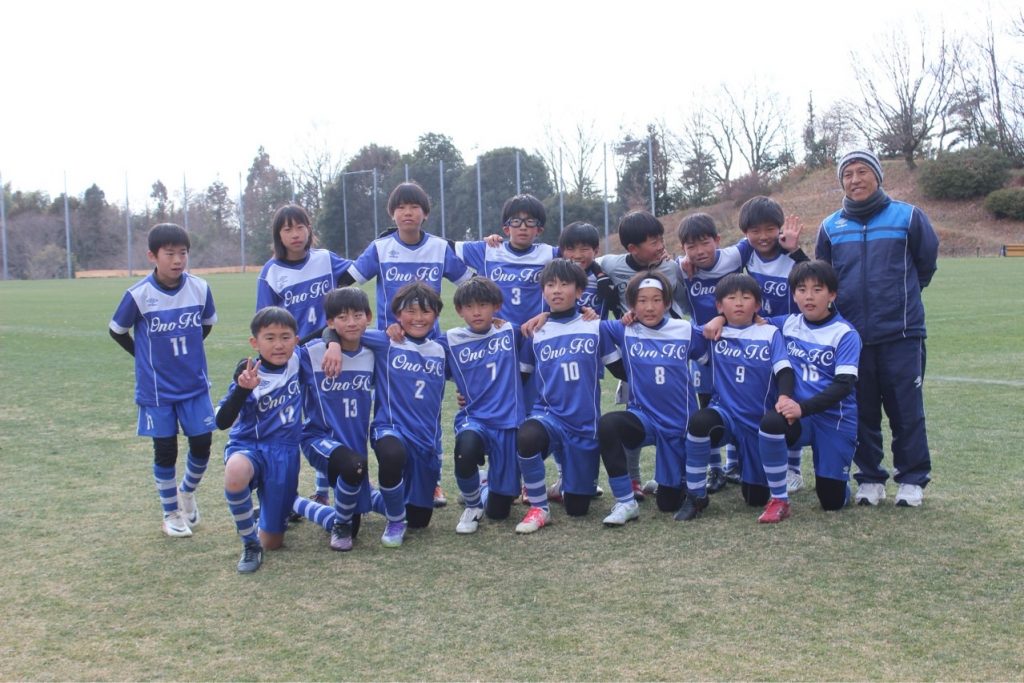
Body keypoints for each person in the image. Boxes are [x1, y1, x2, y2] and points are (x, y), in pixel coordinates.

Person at [816, 150, 939, 508]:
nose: (855, 179)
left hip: (902, 333)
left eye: (862, 171)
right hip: (851, 338)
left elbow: (925, 267)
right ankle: (870, 478)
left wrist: (899, 300)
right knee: (861, 410)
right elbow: (824, 278)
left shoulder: (909, 216)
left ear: (878, 176)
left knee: (906, 411)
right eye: (848, 174)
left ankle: (912, 480)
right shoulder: (830, 226)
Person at [339, 181, 471, 507]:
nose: (407, 213)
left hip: (428, 342)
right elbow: (346, 283)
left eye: (414, 207)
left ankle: (432, 481)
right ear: (392, 214)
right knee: (384, 408)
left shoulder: (439, 247)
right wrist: (345, 325)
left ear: (425, 213)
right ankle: (382, 475)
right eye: (400, 207)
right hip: (389, 343)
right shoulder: (380, 248)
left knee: (429, 410)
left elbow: (470, 283)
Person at [109, 223, 217, 538]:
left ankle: (187, 492)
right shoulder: (138, 295)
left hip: (194, 385)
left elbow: (206, 324)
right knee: (166, 450)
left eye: (183, 253)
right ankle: (171, 513)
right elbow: (117, 331)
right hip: (157, 391)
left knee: (202, 444)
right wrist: (144, 358)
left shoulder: (200, 288)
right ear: (152, 256)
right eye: (169, 254)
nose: (178, 260)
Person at [326, 282, 448, 547]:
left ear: (436, 315)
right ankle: (395, 520)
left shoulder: (442, 348)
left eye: (426, 312)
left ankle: (374, 497)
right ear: (397, 315)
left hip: (426, 441)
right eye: (410, 311)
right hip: (390, 428)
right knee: (392, 455)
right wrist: (332, 343)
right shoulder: (386, 341)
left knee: (419, 520)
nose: (418, 318)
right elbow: (344, 330)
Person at [515, 259, 632, 533]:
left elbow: (619, 369)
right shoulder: (535, 331)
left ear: (579, 291)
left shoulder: (595, 326)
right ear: (543, 291)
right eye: (550, 285)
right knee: (527, 436)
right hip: (549, 416)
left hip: (585, 426)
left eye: (564, 284)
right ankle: (539, 508)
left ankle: (567, 485)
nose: (557, 290)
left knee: (578, 509)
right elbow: (520, 378)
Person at [256, 203, 352, 508]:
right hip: (293, 356)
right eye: (288, 229)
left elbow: (358, 273)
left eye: (300, 227)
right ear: (278, 235)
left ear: (309, 230)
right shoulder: (271, 272)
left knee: (326, 418)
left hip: (328, 351)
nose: (295, 234)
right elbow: (265, 321)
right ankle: (284, 492)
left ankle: (323, 489)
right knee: (290, 423)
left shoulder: (325, 259)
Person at [678, 274, 796, 524]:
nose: (739, 303)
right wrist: (717, 319)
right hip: (725, 415)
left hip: (757, 421)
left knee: (755, 498)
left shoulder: (770, 333)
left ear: (758, 304)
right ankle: (696, 495)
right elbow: (674, 330)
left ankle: (764, 483)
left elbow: (784, 371)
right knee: (700, 422)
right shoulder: (712, 333)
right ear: (719, 305)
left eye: (746, 297)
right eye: (731, 298)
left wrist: (785, 397)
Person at [597, 271, 706, 516]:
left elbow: (707, 356)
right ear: (631, 304)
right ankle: (625, 501)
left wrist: (718, 321)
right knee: (608, 425)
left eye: (656, 300)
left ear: (667, 302)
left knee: (668, 505)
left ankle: (675, 481)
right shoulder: (625, 329)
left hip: (679, 424)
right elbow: (593, 327)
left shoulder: (684, 329)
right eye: (642, 300)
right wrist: (545, 315)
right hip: (643, 418)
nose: (649, 307)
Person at [596, 210, 688, 499]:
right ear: (632, 248)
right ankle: (633, 479)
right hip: (634, 351)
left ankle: (674, 476)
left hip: (668, 352)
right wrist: (600, 278)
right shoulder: (612, 264)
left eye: (661, 239)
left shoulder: (671, 268)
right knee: (632, 413)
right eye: (653, 242)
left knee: (672, 414)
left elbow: (684, 302)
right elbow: (588, 261)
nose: (661, 246)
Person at [217, 307, 308, 573]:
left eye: (285, 337)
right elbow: (221, 421)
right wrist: (242, 390)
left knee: (273, 542)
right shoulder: (248, 376)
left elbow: (325, 333)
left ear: (296, 340)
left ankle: (266, 514)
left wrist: (333, 342)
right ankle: (249, 544)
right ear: (254, 343)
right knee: (235, 472)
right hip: (249, 446)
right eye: (269, 338)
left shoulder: (297, 360)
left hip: (285, 452)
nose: (278, 345)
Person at [437, 277, 529, 533]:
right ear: (459, 310)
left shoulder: (510, 331)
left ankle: (485, 484)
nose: (476, 312)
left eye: (483, 305)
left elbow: (541, 325)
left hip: (509, 422)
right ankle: (473, 505)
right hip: (474, 418)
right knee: (465, 449)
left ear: (496, 306)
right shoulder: (450, 340)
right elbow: (421, 348)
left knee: (499, 513)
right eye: (469, 307)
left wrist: (548, 316)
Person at [771, 261, 862, 511]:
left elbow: (843, 386)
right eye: (801, 290)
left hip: (834, 419)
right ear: (794, 295)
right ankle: (772, 486)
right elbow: (748, 321)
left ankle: (838, 479)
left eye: (817, 290)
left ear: (832, 295)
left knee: (831, 503)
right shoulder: (787, 323)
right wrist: (720, 319)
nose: (808, 296)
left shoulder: (845, 334)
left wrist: (802, 408)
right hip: (799, 417)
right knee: (770, 425)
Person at [292, 287, 375, 551]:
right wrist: (332, 342)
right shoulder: (312, 354)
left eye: (357, 315)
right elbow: (278, 358)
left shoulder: (373, 352)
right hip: (318, 438)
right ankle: (340, 525)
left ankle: (291, 502)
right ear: (330, 322)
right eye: (342, 317)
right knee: (353, 466)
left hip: (354, 445)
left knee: (356, 524)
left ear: (368, 317)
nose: (351, 322)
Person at [677, 213, 755, 492]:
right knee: (706, 405)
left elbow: (757, 238)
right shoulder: (681, 268)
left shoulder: (735, 256)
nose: (699, 251)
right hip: (703, 348)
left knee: (738, 401)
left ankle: (735, 462)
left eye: (704, 243)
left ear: (717, 240)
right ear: (683, 249)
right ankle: (715, 468)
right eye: (691, 246)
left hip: (736, 347)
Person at [737, 195, 808, 492]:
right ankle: (736, 462)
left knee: (787, 398)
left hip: (790, 339)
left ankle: (793, 468)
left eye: (770, 229)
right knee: (753, 396)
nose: (763, 236)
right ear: (745, 233)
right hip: (758, 338)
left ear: (779, 228)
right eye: (755, 230)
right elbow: (719, 262)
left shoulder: (790, 255)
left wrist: (797, 251)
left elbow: (814, 276)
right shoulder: (745, 253)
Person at [455, 193, 557, 326]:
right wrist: (470, 279)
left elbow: (579, 257)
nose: (523, 227)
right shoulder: (489, 249)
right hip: (497, 332)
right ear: (506, 229)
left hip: (536, 330)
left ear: (539, 230)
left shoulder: (550, 253)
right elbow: (446, 249)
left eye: (530, 221)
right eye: (516, 221)